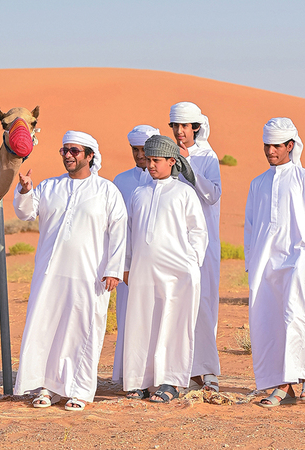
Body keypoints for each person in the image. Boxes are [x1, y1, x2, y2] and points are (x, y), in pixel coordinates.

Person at [13, 131, 127, 411]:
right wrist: (25, 190)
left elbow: (119, 230)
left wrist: (114, 268)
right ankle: (46, 387)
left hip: (90, 275)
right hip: (50, 273)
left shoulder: (106, 190)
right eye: (64, 150)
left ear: (90, 155)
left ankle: (79, 390)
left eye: (74, 151)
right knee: (46, 327)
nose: (68, 155)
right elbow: (25, 213)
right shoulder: (50, 186)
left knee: (82, 330)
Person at [244, 118, 305, 408]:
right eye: (266, 145)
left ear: (290, 145)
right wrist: (251, 260)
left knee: (294, 312)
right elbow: (250, 226)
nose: (270, 151)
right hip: (264, 261)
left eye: (276, 146)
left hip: (295, 256)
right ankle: (281, 384)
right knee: (267, 318)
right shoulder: (258, 183)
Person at [122, 135, 208, 403]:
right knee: (141, 324)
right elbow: (129, 233)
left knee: (173, 324)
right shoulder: (139, 193)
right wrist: (126, 265)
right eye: (148, 159)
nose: (150, 165)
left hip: (177, 274)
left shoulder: (184, 192)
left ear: (172, 161)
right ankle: (140, 382)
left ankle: (171, 382)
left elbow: (198, 232)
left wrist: (191, 263)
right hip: (142, 272)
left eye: (156, 160)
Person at [169, 102, 222, 391]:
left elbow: (213, 194)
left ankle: (209, 371)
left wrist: (189, 167)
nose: (179, 132)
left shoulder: (207, 156)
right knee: (179, 305)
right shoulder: (168, 155)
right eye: (175, 126)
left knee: (204, 304)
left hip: (204, 243)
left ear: (196, 128)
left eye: (184, 126)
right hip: (175, 243)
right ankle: (184, 370)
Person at [111, 124, 160, 385]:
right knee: (127, 317)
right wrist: (122, 264)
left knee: (154, 318)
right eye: (135, 149)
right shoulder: (121, 181)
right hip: (127, 264)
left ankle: (154, 376)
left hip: (157, 263)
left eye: (144, 149)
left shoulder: (165, 181)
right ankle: (127, 375)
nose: (140, 155)